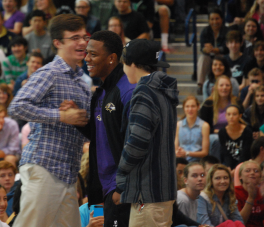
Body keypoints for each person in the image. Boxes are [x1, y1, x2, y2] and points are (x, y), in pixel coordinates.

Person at [9, 14, 91, 227]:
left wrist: (78, 116)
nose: (82, 42)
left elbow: (85, 124)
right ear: (58, 43)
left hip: (68, 171)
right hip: (44, 165)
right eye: (74, 38)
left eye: (84, 37)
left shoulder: (82, 82)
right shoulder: (50, 73)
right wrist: (61, 115)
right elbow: (17, 106)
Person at [112, 39, 177, 227]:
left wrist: (121, 179)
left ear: (131, 63)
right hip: (161, 191)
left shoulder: (144, 92)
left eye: (124, 64)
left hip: (147, 194)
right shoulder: (162, 91)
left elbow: (137, 144)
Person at [74, 30, 135, 227]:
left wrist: (122, 187)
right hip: (103, 188)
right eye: (86, 53)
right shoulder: (102, 92)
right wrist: (78, 119)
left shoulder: (127, 91)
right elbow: (99, 134)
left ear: (112, 58)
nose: (87, 59)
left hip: (121, 189)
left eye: (93, 54)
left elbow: (136, 145)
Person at [197, 9, 229, 92]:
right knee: (203, 58)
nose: (214, 21)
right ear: (209, 20)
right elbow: (202, 48)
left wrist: (216, 50)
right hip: (209, 56)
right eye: (212, 19)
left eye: (217, 18)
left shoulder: (227, 31)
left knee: (220, 59)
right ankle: (201, 85)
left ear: (222, 19)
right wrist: (206, 49)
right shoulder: (205, 31)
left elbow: (227, 48)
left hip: (222, 55)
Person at [175, 96, 210, 162]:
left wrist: (187, 153)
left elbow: (205, 153)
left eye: (193, 106)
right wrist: (177, 152)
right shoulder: (178, 125)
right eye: (187, 106)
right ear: (184, 108)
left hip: (197, 161)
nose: (190, 109)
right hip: (181, 160)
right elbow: (175, 149)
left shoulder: (204, 126)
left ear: (198, 107)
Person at [218, 105, 252, 169]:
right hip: (228, 164)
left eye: (234, 114)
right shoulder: (222, 132)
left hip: (244, 163)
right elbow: (225, 153)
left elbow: (245, 154)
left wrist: (236, 169)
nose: (231, 117)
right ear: (225, 116)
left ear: (240, 116)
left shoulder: (247, 131)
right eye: (229, 114)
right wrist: (229, 168)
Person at [235, 160, 264, 226]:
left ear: (260, 176)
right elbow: (239, 223)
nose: (252, 173)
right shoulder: (235, 193)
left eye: (256, 171)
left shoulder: (261, 191)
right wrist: (251, 198)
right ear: (240, 176)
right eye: (247, 171)